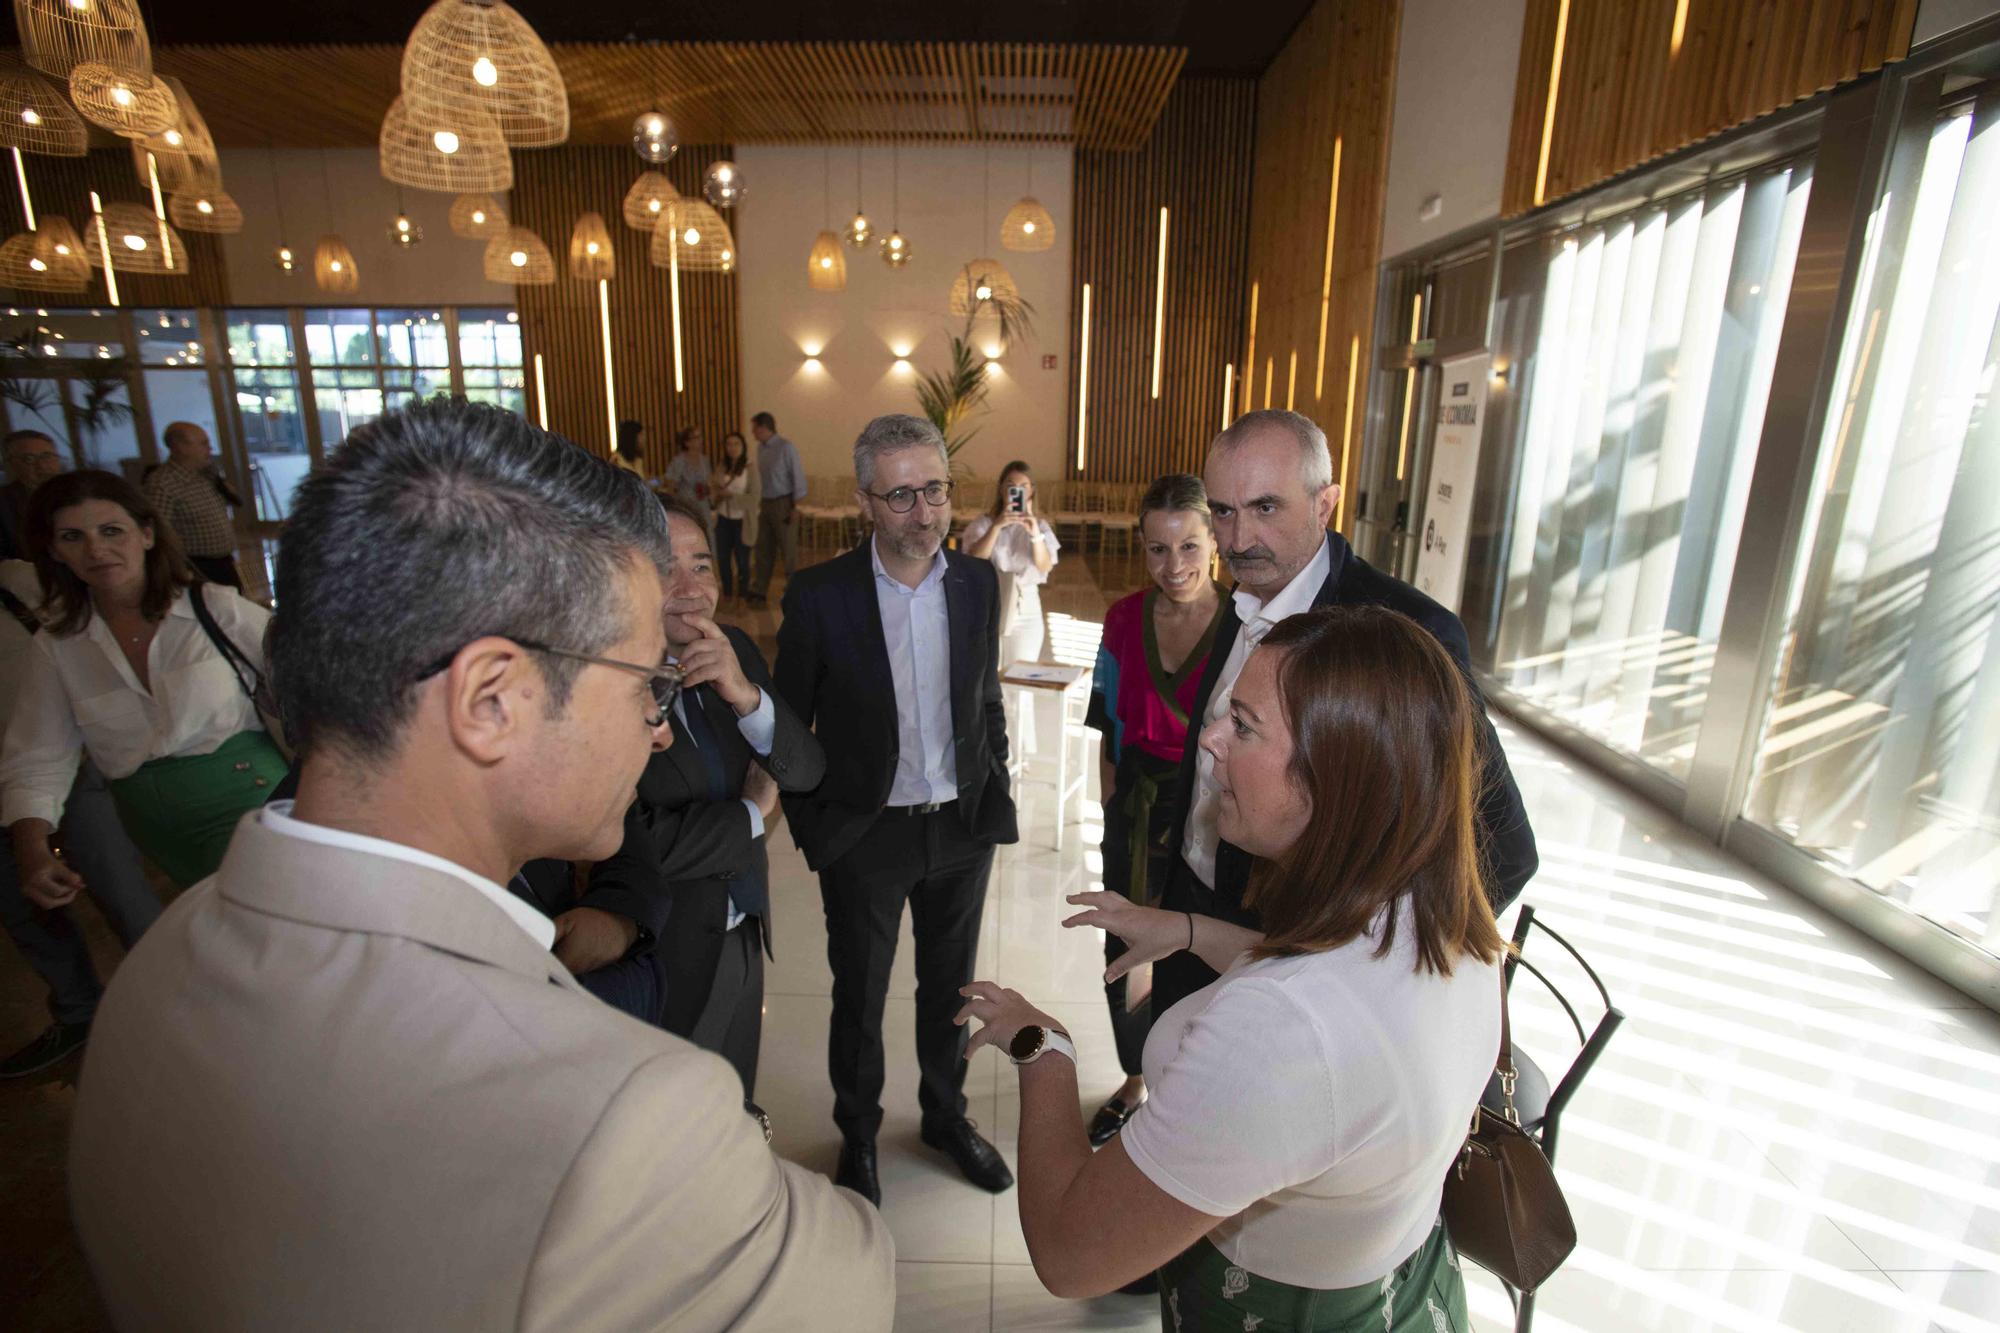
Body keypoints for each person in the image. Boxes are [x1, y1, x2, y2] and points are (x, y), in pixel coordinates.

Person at [66, 399, 893, 1331]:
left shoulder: (153, 967)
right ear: (491, 698)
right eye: (643, 681)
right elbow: (853, 1288)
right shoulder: (620, 1109)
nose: (658, 724)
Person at [957, 606, 1506, 1327]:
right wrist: (1190, 931)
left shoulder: (1279, 1034)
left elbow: (1068, 1253)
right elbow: (1336, 997)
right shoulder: (1450, 924)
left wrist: (1043, 1048)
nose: (1208, 740)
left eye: (1243, 726)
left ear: (1333, 778)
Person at [1150, 409, 1537, 1024]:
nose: (1238, 538)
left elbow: (1503, 846)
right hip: (1195, 908)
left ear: (1325, 503)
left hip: (1296, 958)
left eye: (1266, 508)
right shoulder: (1248, 591)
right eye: (1223, 511)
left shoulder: (1405, 632)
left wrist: (1358, 965)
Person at [775, 413, 1019, 1207]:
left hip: (958, 828)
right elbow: (789, 723)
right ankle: (858, 1136)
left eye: (938, 490)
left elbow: (985, 697)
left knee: (951, 992)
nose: (926, 513)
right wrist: (819, 828)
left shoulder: (980, 582)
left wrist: (995, 788)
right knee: (861, 995)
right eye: (904, 495)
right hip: (866, 834)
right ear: (866, 501)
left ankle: (945, 1117)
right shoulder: (820, 597)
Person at [589, 497, 825, 1096]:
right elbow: (634, 841)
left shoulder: (734, 649)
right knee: (673, 1123)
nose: (690, 587)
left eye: (702, 565)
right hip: (662, 949)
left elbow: (804, 771)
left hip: (744, 923)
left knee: (736, 1099)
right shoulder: (603, 681)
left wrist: (746, 695)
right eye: (667, 566)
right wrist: (751, 811)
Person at [2, 470, 286, 891]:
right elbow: (38, 754)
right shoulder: (58, 645)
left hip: (251, 798)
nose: (97, 549)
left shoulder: (213, 609)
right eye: (73, 537)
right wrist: (32, 850)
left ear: (147, 534)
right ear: (54, 552)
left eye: (112, 530)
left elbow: (312, 681)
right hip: (158, 829)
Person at [1080, 473, 1228, 1147]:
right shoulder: (1121, 619)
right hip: (1135, 810)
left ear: (1214, 541)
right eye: (1159, 550)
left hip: (1214, 814)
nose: (1176, 566)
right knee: (1126, 947)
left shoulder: (1241, 626)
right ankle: (1136, 1077)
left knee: (1201, 947)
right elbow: (1107, 726)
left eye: (1190, 545)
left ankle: (1189, 1086)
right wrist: (1113, 809)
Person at [0, 556, 159, 1079]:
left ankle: (176, 1011)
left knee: (122, 891)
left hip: (72, 764)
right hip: (20, 776)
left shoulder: (25, 581)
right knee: (23, 905)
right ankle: (77, 1012)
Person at [959, 460, 1060, 668]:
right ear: (1001, 489)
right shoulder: (984, 524)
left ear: (1031, 491)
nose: (1017, 491)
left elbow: (1045, 566)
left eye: (1023, 487)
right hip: (989, 603)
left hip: (1027, 607)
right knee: (988, 675)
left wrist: (1034, 533)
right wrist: (996, 527)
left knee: (1019, 676)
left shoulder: (1040, 526)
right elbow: (973, 560)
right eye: (1011, 486)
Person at [142, 422, 244, 590]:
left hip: (223, 563)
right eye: (203, 443)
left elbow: (232, 501)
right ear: (180, 447)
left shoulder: (204, 476)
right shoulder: (162, 484)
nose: (209, 449)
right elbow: (158, 531)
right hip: (196, 567)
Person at [748, 410, 807, 606]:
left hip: (784, 503)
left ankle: (793, 593)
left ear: (764, 428)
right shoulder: (760, 449)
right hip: (765, 503)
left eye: (754, 428)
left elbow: (797, 476)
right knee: (763, 548)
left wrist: (795, 506)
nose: (752, 432)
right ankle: (759, 590)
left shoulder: (785, 447)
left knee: (788, 551)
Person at [1, 430, 65, 561]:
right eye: (29, 459)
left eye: (46, 456)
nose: (41, 466)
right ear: (11, 464)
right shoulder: (3, 502)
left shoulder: (82, 493)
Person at [713, 429, 758, 599]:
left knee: (742, 561)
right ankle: (727, 594)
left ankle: (742, 597)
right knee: (723, 559)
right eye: (729, 444)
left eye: (736, 444)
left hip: (742, 521)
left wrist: (732, 496)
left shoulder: (750, 468)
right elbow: (714, 487)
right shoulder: (721, 466)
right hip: (724, 519)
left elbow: (755, 498)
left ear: (743, 446)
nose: (732, 448)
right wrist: (716, 493)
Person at [662, 425, 713, 532]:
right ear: (687, 442)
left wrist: (707, 489)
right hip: (686, 506)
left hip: (703, 505)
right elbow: (670, 484)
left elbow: (709, 482)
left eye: (700, 437)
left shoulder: (705, 460)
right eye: (695, 437)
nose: (700, 440)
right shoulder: (679, 461)